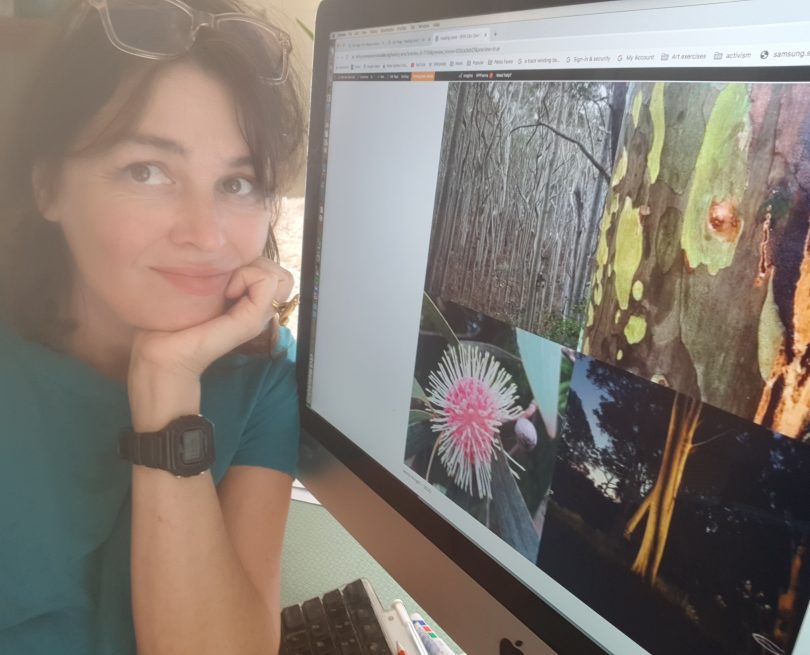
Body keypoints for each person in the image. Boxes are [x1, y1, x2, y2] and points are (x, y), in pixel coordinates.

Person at [0, 0, 307, 653]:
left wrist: (167, 387)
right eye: (148, 171)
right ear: (49, 185)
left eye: (239, 182)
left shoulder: (266, 377)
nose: (206, 234)